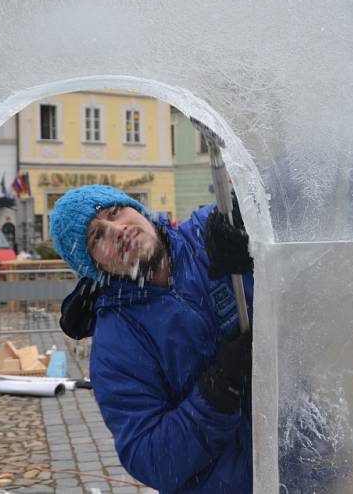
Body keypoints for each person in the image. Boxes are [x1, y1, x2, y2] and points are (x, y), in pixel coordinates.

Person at [49, 185, 254, 493]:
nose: (117, 229)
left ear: (138, 210)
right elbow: (150, 458)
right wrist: (216, 395)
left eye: (116, 212)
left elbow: (289, 190)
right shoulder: (116, 344)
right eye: (97, 236)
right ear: (95, 267)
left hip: (309, 463)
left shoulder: (209, 233)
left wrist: (254, 232)